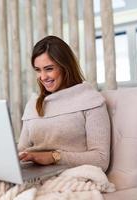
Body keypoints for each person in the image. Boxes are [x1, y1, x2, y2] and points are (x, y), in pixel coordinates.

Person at [18, 35, 110, 172]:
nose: (43, 77)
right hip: (33, 173)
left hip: (73, 174)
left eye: (49, 69)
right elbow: (22, 150)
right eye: (38, 70)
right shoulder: (34, 104)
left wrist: (54, 157)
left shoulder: (90, 100)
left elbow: (101, 159)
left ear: (65, 67)